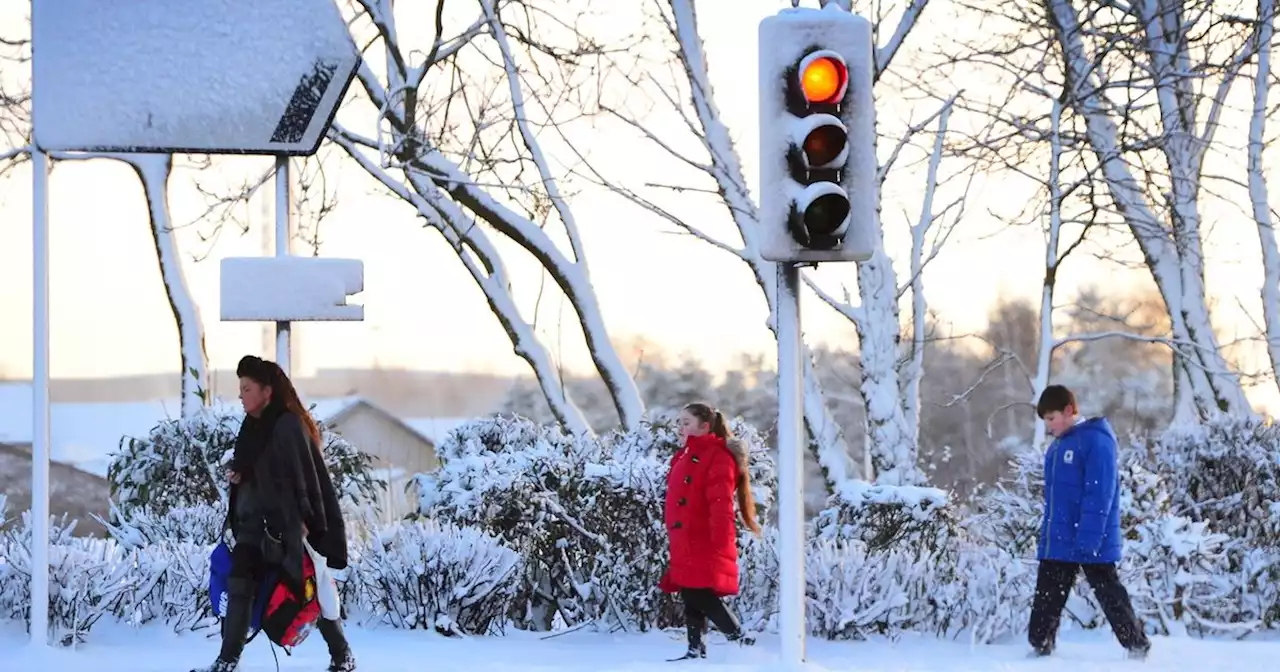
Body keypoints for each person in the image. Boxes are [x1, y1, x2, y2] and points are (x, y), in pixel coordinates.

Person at [192, 355, 356, 672]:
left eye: (247, 388)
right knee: (239, 580)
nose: (241, 395)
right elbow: (255, 465)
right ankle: (227, 660)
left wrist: (303, 524)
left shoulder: (288, 425)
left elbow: (303, 478)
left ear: (267, 391)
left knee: (310, 586)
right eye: (240, 388)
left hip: (291, 526)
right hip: (255, 526)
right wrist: (240, 474)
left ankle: (342, 653)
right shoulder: (252, 425)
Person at [1029, 385, 1150, 660]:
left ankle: (1137, 646)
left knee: (1110, 594)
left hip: (1090, 538)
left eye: (1051, 418)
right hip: (1059, 538)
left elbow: (1100, 493)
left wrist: (1089, 538)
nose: (1048, 427)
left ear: (1069, 410)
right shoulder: (1059, 446)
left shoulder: (1096, 441)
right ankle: (1040, 649)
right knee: (1047, 597)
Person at [659, 402, 761, 661]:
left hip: (704, 537)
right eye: (679, 422)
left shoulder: (717, 456)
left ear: (705, 427)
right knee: (689, 590)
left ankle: (739, 637)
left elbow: (721, 503)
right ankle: (695, 648)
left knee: (697, 591)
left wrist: (722, 540)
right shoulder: (684, 455)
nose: (680, 428)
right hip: (685, 537)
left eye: (687, 423)